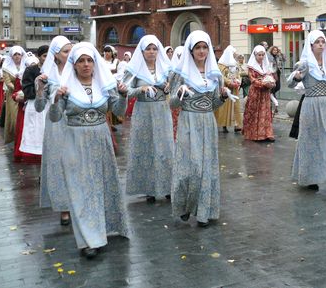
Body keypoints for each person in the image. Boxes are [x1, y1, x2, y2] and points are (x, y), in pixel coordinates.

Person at [49, 42, 129, 259]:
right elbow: (55, 117)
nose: (86, 65)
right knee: (81, 190)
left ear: (95, 63)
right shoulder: (65, 88)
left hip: (101, 142)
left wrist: (123, 96)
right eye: (81, 61)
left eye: (89, 60)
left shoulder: (105, 84)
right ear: (73, 65)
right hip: (75, 143)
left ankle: (103, 229)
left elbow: (119, 112)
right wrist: (56, 99)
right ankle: (88, 240)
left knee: (101, 187)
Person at [170, 30, 228, 227]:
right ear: (191, 50)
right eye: (198, 48)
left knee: (206, 169)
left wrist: (223, 97)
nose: (202, 51)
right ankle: (185, 205)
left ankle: (203, 211)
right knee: (190, 168)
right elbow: (172, 104)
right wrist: (180, 94)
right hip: (188, 123)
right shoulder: (181, 73)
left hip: (208, 124)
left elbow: (213, 105)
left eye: (205, 47)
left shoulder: (215, 74)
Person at [287, 30, 326, 192]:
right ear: (311, 45)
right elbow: (290, 83)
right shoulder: (305, 64)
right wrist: (297, 78)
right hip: (310, 106)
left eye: (323, 42)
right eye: (318, 42)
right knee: (309, 142)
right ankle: (310, 179)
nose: (321, 44)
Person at [123, 35, 174, 203]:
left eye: (154, 49)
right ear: (142, 51)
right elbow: (125, 90)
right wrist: (141, 89)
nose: (152, 52)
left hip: (162, 110)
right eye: (148, 49)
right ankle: (149, 188)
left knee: (165, 148)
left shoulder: (166, 67)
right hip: (143, 111)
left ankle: (168, 187)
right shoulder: (134, 69)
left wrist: (168, 88)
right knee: (146, 148)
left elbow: (174, 88)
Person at [35, 35, 73, 226]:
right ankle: (64, 207)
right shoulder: (46, 76)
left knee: (76, 163)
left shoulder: (78, 70)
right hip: (56, 125)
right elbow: (40, 107)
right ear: (56, 55)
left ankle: (78, 204)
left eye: (70, 50)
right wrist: (40, 90)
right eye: (66, 51)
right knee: (59, 164)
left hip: (75, 122)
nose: (70, 54)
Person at [15, 47, 49, 163]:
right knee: (37, 131)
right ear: (39, 56)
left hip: (50, 106)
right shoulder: (30, 70)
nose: (47, 58)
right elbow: (27, 91)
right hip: (36, 105)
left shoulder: (55, 69)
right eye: (44, 55)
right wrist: (41, 89)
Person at [242, 45, 276, 141]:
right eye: (259, 55)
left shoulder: (266, 65)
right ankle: (254, 134)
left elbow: (271, 76)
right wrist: (263, 84)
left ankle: (267, 133)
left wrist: (272, 83)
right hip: (256, 92)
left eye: (262, 55)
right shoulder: (251, 67)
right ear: (255, 55)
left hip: (265, 94)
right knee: (254, 113)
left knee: (265, 113)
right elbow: (252, 79)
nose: (261, 57)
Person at [2, 46, 27, 144]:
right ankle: (15, 137)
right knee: (14, 117)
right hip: (12, 95)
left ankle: (24, 137)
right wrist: (18, 90)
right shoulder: (6, 68)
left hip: (25, 95)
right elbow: (8, 83)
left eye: (19, 54)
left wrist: (25, 90)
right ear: (11, 56)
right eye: (15, 55)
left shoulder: (26, 66)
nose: (17, 56)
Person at [214, 45, 243, 133]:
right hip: (225, 88)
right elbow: (221, 76)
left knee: (235, 106)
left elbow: (238, 73)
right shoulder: (221, 65)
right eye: (233, 54)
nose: (235, 55)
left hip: (234, 89)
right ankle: (224, 124)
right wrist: (229, 82)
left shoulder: (235, 64)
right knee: (224, 107)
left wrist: (238, 81)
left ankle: (237, 124)